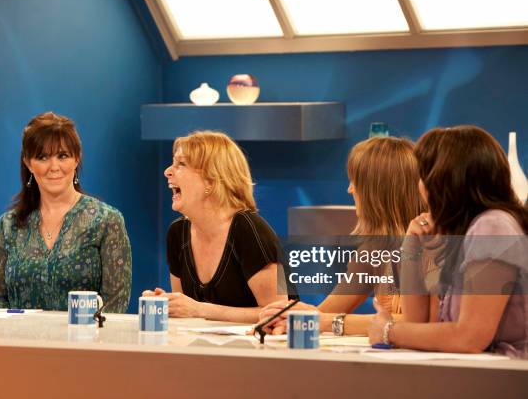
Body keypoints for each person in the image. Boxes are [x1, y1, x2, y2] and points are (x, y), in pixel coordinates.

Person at [368, 125, 528, 358]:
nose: (419, 187)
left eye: (423, 177)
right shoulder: (467, 232)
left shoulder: (492, 226)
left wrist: (388, 331)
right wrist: (412, 247)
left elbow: (469, 337)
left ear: (443, 182)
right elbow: (418, 324)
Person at [258, 137, 426, 335]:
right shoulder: (373, 250)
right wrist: (288, 317)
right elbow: (325, 313)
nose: (349, 189)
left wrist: (328, 322)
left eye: (355, 181)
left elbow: (414, 323)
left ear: (377, 192)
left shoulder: (430, 245)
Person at [0, 112, 131, 312]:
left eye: (62, 155)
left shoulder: (106, 221)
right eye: (43, 157)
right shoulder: (8, 225)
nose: (54, 167)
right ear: (28, 163)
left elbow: (115, 306)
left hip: (87, 342)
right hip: (19, 341)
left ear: (76, 158)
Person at [143, 131, 287, 323]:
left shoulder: (250, 229)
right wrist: (168, 304)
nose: (167, 171)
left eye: (181, 164)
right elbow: (187, 315)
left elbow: (281, 314)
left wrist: (201, 310)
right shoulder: (177, 233)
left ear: (210, 181)